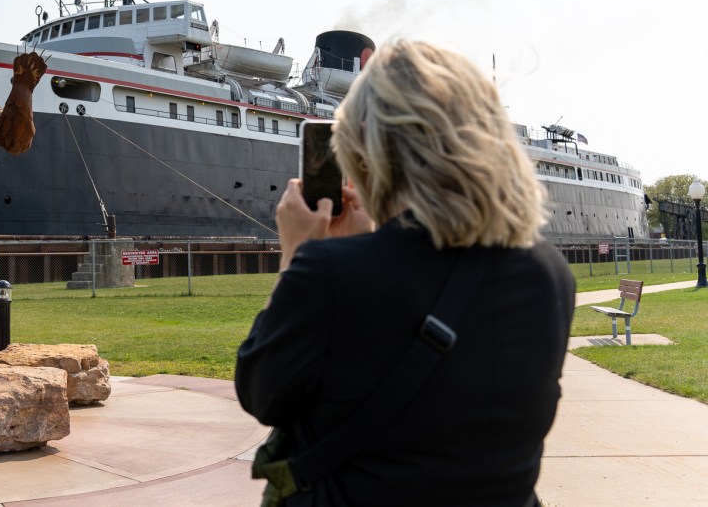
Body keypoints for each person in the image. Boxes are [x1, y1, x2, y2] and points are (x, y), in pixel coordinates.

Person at [236, 40, 575, 506]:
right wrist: (365, 243)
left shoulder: (329, 272)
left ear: (366, 145)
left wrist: (297, 255)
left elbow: (262, 395)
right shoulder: (549, 273)